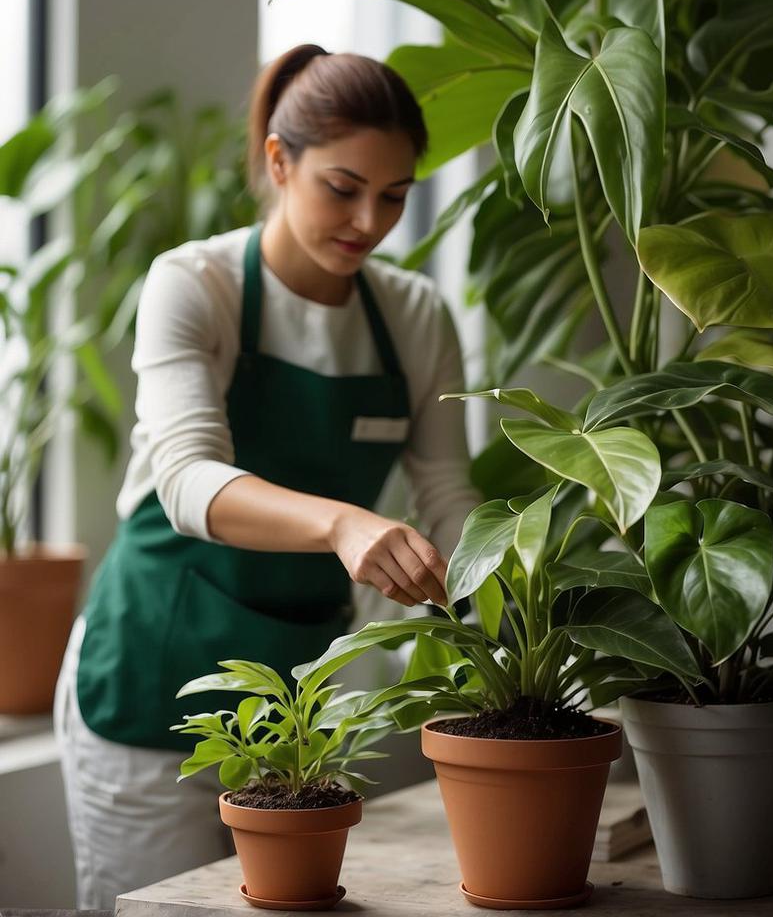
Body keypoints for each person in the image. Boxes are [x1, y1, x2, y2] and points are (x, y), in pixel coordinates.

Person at [54, 45, 479, 907]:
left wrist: (519, 602)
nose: (369, 219)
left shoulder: (415, 317)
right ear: (280, 162)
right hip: (149, 677)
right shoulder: (195, 283)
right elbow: (184, 477)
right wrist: (341, 523)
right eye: (342, 186)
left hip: (292, 704)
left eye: (394, 196)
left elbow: (448, 493)